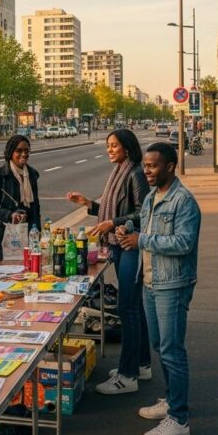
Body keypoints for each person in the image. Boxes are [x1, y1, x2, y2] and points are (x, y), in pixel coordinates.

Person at [117, 143, 200, 435]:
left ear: (170, 166)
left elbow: (183, 243)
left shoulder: (183, 201)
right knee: (159, 345)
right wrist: (127, 227)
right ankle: (169, 399)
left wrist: (141, 240)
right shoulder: (153, 195)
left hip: (172, 284)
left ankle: (179, 418)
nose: (147, 171)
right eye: (146, 166)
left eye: (153, 166)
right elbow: (143, 221)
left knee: (172, 350)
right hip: (151, 280)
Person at [66, 129, 152, 395]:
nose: (110, 150)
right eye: (108, 146)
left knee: (128, 308)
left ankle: (127, 376)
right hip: (120, 244)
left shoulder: (134, 173)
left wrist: (111, 223)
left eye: (114, 145)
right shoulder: (121, 172)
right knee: (134, 307)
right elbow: (118, 209)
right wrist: (89, 205)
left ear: (127, 147)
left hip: (129, 246)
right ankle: (141, 364)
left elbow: (142, 212)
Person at [0, 135, 42, 261]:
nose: (23, 154)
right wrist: (10, 214)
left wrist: (38, 231)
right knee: (10, 270)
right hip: (6, 232)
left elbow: (36, 206)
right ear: (11, 152)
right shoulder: (0, 175)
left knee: (29, 270)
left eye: (27, 151)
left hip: (28, 232)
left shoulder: (32, 174)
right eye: (19, 151)